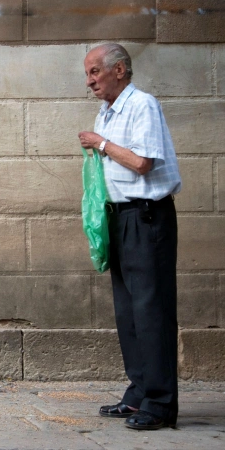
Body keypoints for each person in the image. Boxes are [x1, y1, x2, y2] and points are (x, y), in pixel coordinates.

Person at [78, 43, 182, 431]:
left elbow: (142, 162)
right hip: (119, 218)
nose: (89, 81)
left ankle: (160, 403)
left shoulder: (143, 105)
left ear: (119, 69)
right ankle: (139, 391)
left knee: (151, 311)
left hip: (147, 216)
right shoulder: (107, 111)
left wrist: (100, 144)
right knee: (128, 312)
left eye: (94, 72)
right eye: (88, 73)